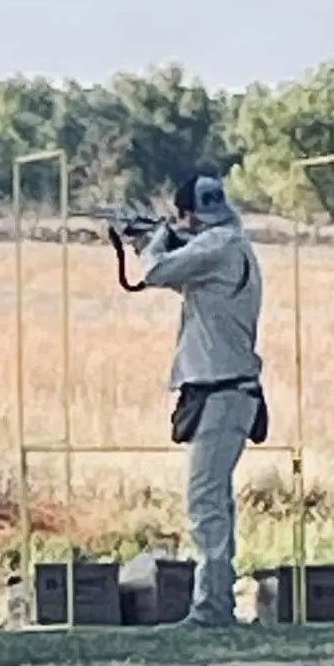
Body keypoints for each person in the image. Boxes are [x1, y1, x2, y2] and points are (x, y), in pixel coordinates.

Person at [140, 172, 265, 628]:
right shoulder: (228, 245)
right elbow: (181, 276)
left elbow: (154, 272)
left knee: (205, 504)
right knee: (217, 504)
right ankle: (217, 603)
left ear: (188, 214)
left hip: (221, 390)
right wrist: (163, 240)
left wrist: (156, 241)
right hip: (228, 390)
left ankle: (212, 610)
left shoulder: (216, 247)